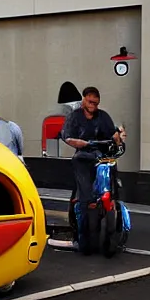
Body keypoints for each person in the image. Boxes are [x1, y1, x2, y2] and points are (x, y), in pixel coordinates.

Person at [61, 86, 126, 249]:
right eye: (90, 102)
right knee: (83, 196)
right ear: (83, 99)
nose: (93, 106)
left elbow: (113, 135)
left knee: (114, 185)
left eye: (96, 103)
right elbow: (67, 136)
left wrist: (118, 137)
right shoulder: (74, 117)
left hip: (103, 157)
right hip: (83, 158)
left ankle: (116, 218)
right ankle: (80, 237)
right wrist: (77, 142)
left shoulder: (103, 117)